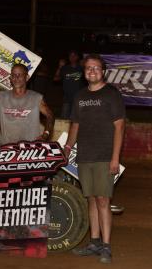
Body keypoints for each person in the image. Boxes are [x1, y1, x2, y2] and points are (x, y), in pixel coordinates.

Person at [63, 54, 125, 264]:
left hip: (104, 156)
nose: (92, 71)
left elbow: (119, 126)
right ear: (84, 72)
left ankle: (106, 246)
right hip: (85, 156)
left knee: (103, 200)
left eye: (96, 68)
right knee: (90, 198)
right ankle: (94, 241)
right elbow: (75, 125)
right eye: (88, 68)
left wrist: (115, 157)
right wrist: (68, 147)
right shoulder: (80, 96)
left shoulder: (111, 94)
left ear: (103, 71)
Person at [0, 63, 54, 147]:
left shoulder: (36, 97)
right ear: (10, 78)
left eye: (20, 75)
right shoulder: (1, 96)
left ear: (27, 77)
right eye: (14, 75)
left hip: (30, 149)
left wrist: (45, 134)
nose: (16, 78)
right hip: (6, 146)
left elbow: (50, 116)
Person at [53, 50, 86, 119]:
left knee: (77, 120)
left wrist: (85, 65)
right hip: (67, 99)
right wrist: (59, 67)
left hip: (79, 99)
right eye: (70, 56)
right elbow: (55, 79)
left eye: (74, 55)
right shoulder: (65, 68)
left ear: (77, 57)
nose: (72, 57)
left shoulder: (81, 68)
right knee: (64, 121)